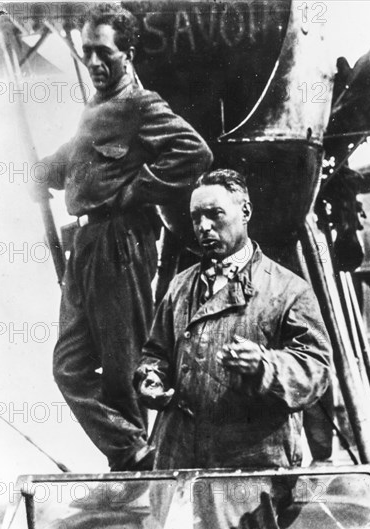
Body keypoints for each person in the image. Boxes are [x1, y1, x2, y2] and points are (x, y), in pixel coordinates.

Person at [31, 4, 213, 471]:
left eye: (104, 53)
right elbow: (72, 158)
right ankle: (135, 451)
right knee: (68, 367)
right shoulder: (95, 109)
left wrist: (135, 190)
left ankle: (137, 471)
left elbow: (194, 151)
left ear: (128, 53)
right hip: (86, 247)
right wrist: (35, 173)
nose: (93, 63)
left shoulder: (140, 104)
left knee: (122, 367)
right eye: (86, 52)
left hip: (120, 243)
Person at [133, 169, 332, 469]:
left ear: (245, 212)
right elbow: (155, 353)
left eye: (215, 214)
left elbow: (316, 371)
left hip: (251, 471)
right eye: (196, 217)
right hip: (177, 463)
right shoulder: (179, 286)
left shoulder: (289, 290)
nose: (204, 227)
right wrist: (151, 377)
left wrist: (266, 365)